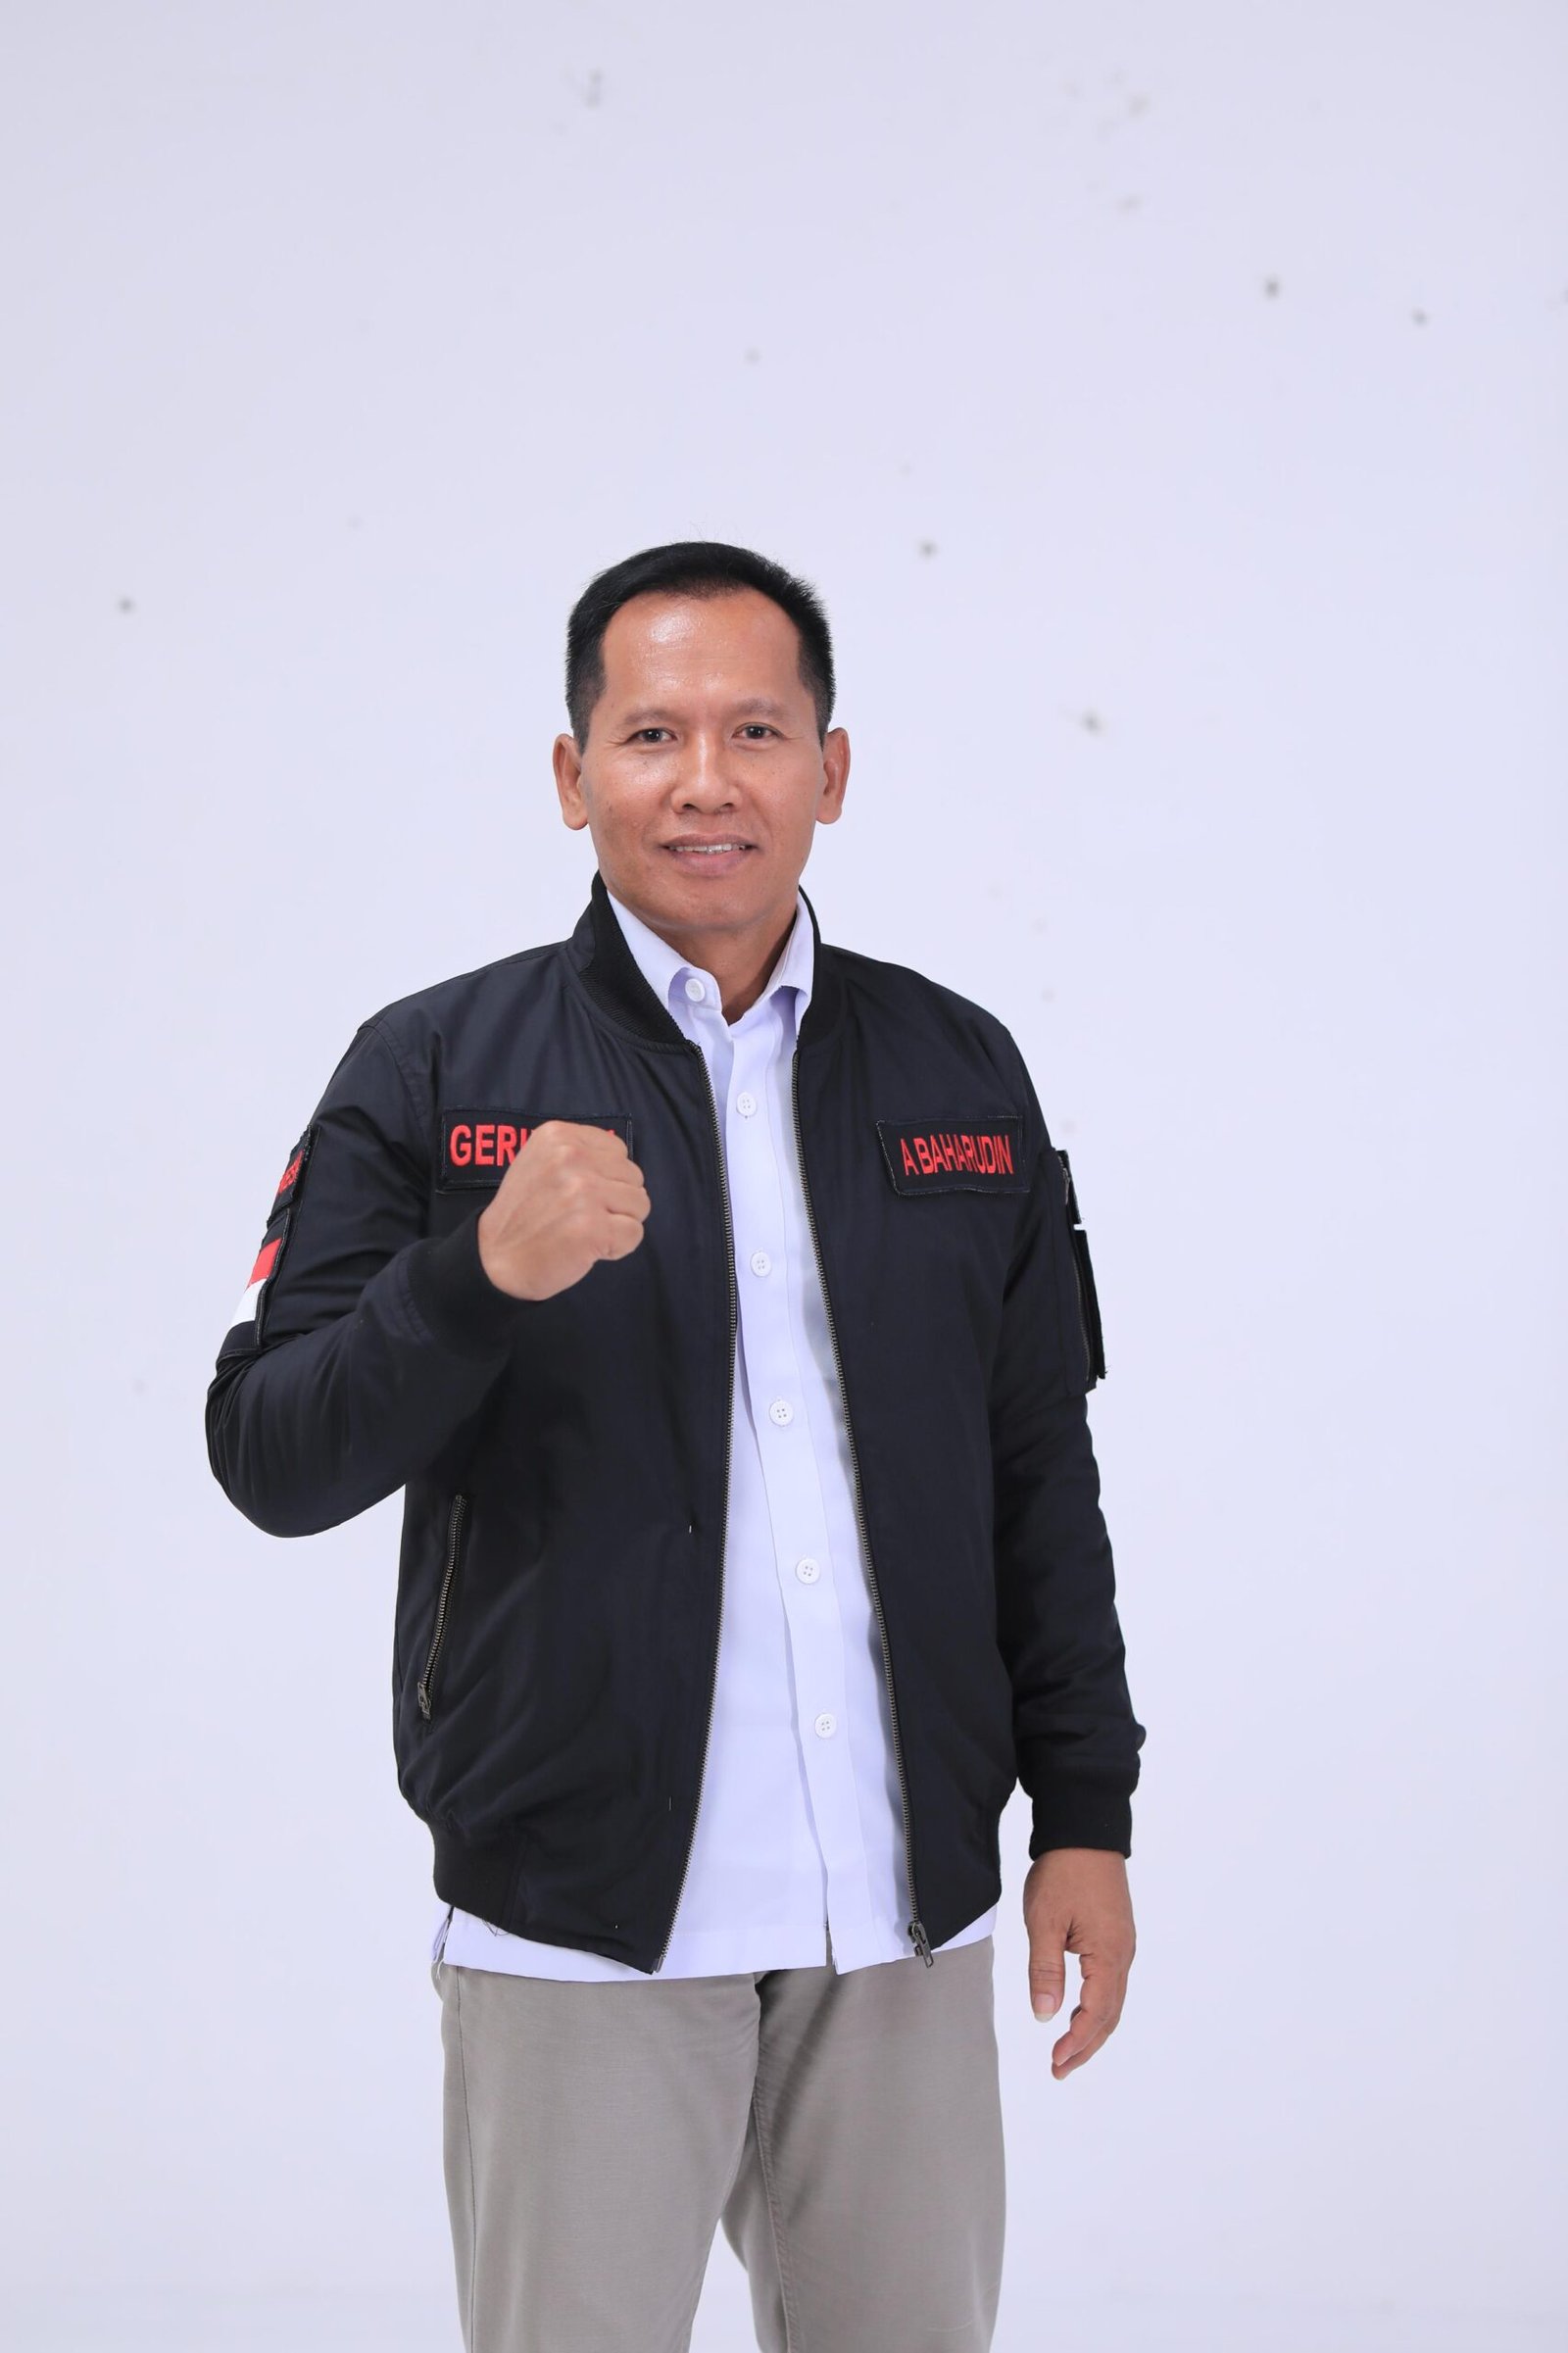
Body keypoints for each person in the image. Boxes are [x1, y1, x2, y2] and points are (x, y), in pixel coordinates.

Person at [206, 539, 1146, 2353]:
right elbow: (269, 1449)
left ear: (830, 770)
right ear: (573, 776)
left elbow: (1041, 1466)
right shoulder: (435, 1070)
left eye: (756, 731)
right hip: (579, 1923)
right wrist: (473, 1275)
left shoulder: (959, 1072)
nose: (706, 779)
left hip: (899, 1910)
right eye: (651, 734)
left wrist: (1085, 1816)